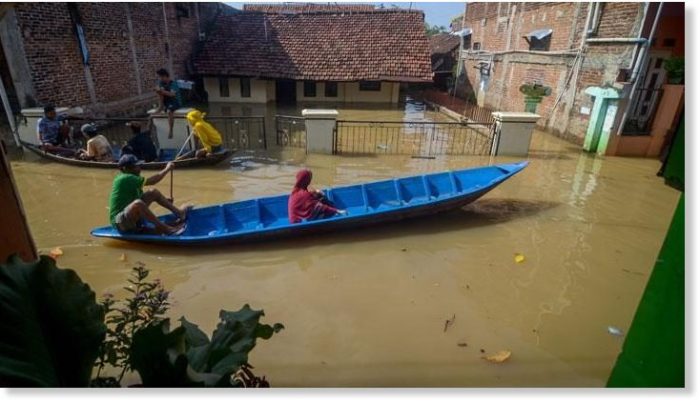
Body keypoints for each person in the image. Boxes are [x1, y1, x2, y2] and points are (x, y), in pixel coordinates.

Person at [108, 154, 190, 235]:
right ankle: (165, 228)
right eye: (136, 166)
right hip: (119, 222)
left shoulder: (134, 179)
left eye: (139, 166)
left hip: (130, 217)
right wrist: (167, 169)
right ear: (125, 169)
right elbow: (153, 181)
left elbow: (142, 197)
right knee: (138, 203)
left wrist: (165, 201)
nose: (139, 169)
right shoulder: (125, 178)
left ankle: (180, 213)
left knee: (152, 192)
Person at [154, 68, 181, 139]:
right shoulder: (160, 83)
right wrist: (158, 90)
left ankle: (171, 130)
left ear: (166, 76)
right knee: (159, 92)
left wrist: (162, 91)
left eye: (161, 77)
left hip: (174, 101)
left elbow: (172, 94)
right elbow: (158, 90)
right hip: (166, 101)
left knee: (169, 111)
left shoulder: (173, 83)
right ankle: (160, 106)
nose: (160, 79)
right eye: (159, 77)